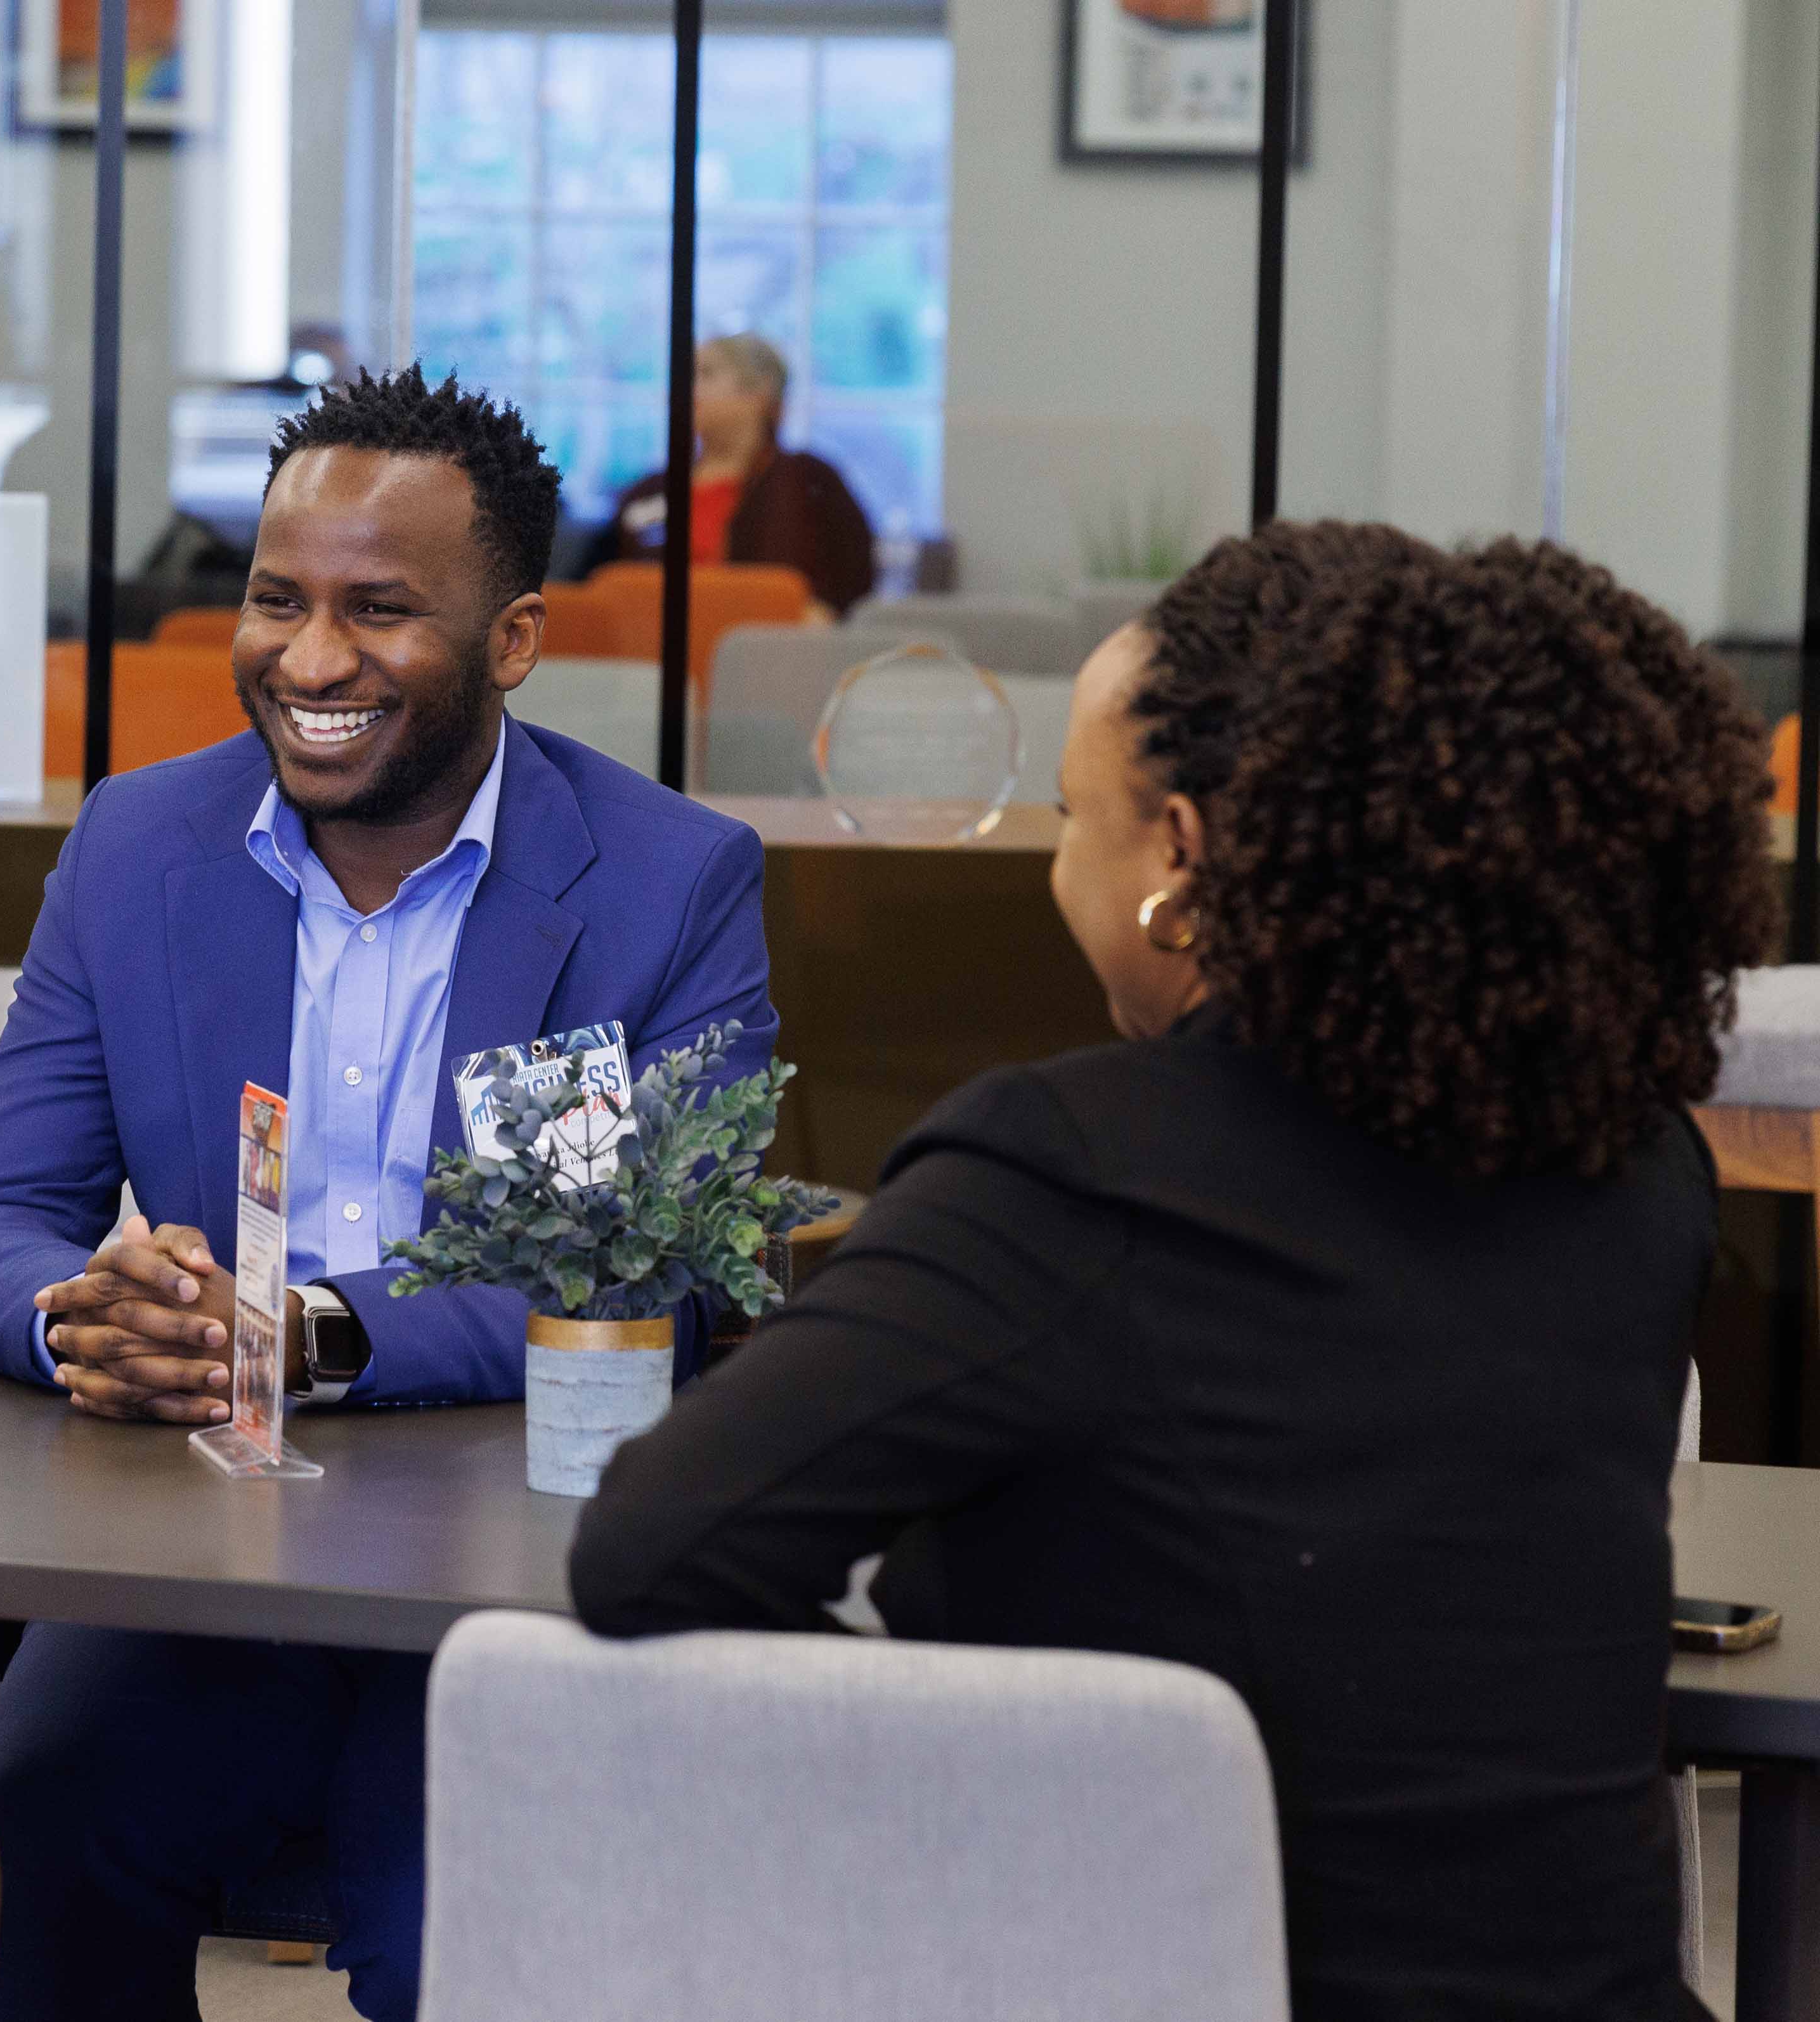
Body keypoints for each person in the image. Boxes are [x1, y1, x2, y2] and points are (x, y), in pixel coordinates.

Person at [571, 521, 1776, 2021]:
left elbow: (649, 1551)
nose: (1056, 862)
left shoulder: (1069, 1169)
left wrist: (1012, 1771)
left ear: (1181, 860)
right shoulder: (1637, 1165)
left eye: (1074, 817)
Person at [0, 365, 779, 2022]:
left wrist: (299, 1333)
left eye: (380, 609)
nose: (309, 659)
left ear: (514, 639)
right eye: (276, 599)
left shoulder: (668, 886)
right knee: (48, 1808)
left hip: (514, 1559)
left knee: (453, 1903)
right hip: (195, 1549)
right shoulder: (135, 849)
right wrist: (88, 1321)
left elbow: (626, 1273)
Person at [603, 334, 876, 616]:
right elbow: (605, 588)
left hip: (766, 651)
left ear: (758, 396)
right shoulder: (648, 491)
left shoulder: (808, 483)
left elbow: (849, 589)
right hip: (651, 651)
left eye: (704, 375)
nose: (685, 388)